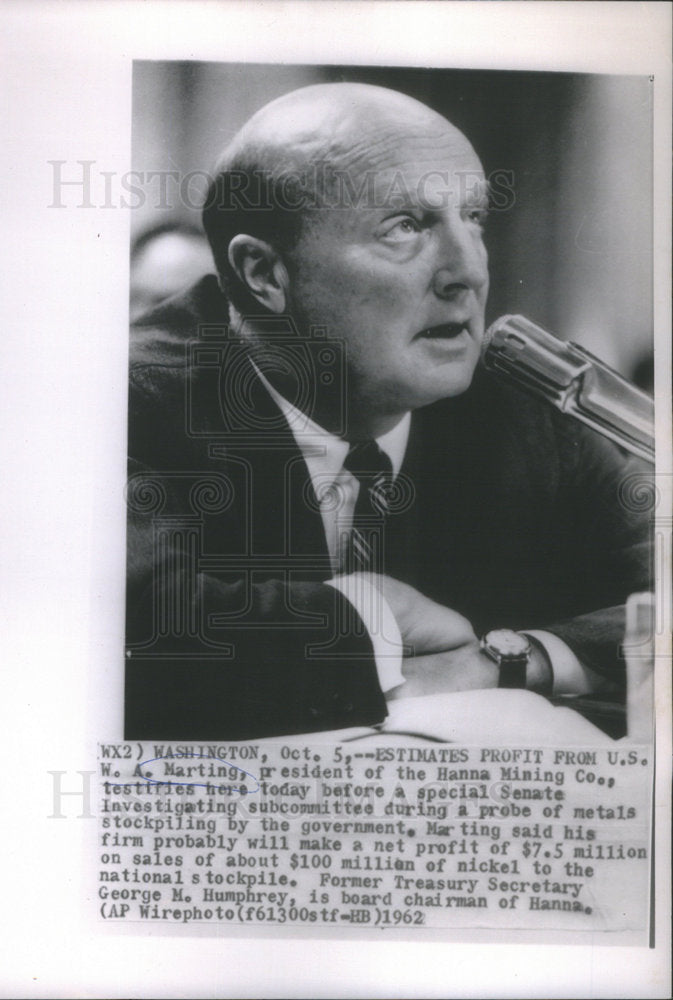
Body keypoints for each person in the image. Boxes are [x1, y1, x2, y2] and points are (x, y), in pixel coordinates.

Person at [125, 83, 651, 740]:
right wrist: (373, 618)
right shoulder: (127, 399)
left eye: (474, 218)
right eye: (404, 227)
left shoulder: (527, 410)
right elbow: (134, 628)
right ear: (263, 274)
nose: (467, 272)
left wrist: (512, 660)